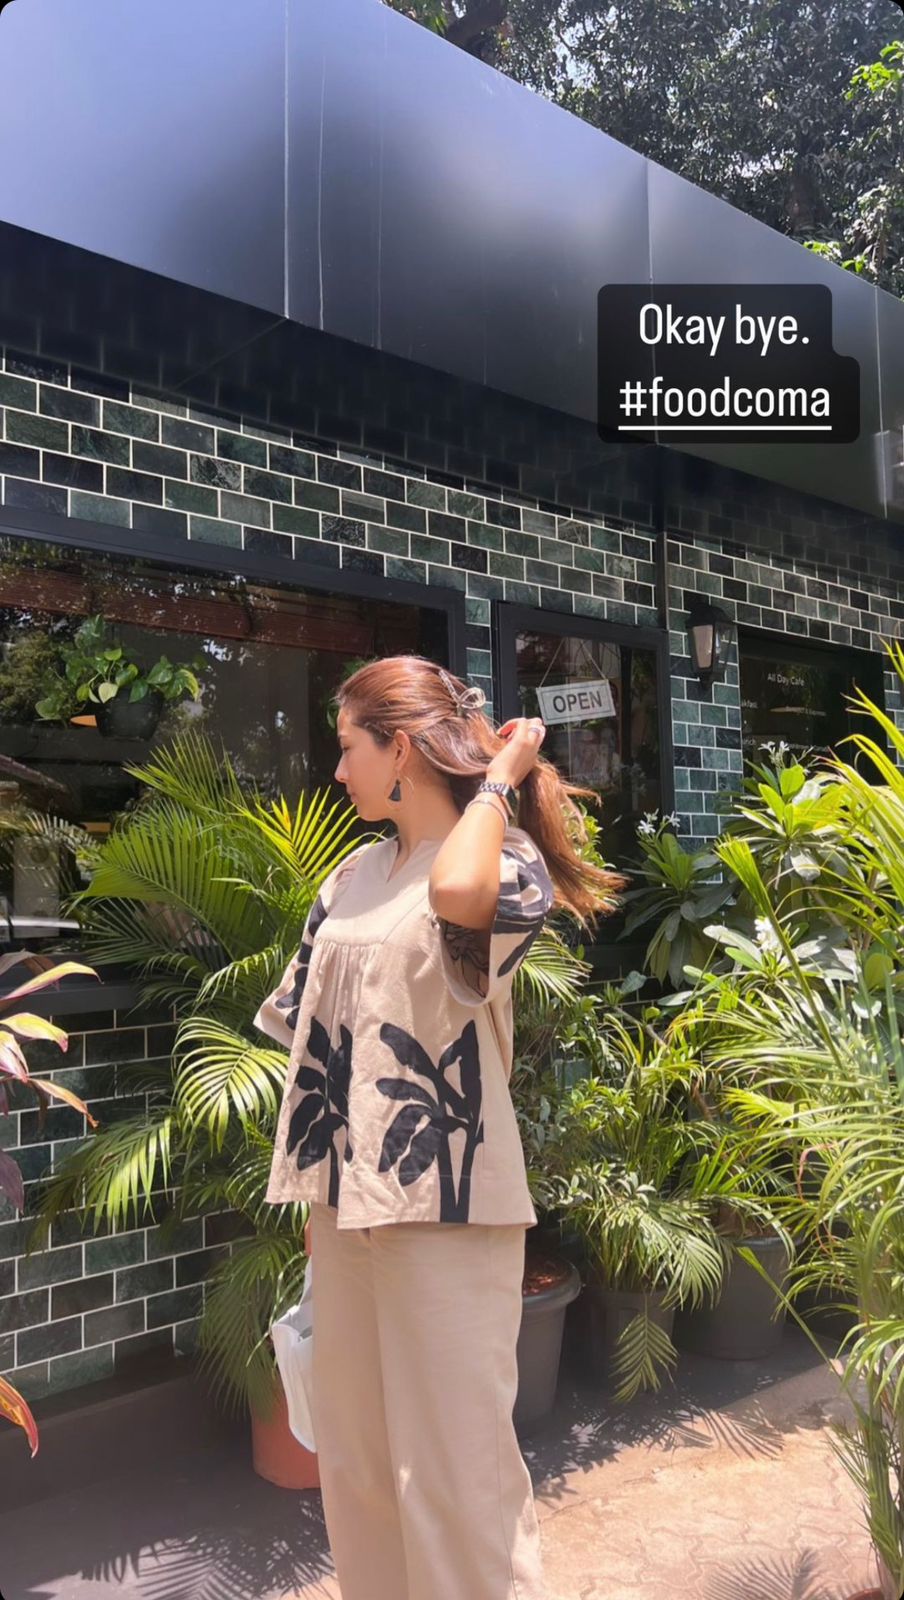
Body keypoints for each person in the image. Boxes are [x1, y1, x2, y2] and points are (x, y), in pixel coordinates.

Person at [253, 655, 621, 1600]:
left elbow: (457, 895)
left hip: (451, 1208)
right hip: (348, 1208)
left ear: (404, 751)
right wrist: (319, 1205)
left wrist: (499, 777)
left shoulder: (502, 862)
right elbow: (315, 1040)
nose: (339, 771)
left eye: (350, 748)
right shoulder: (350, 876)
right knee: (361, 1469)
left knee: (456, 1477)